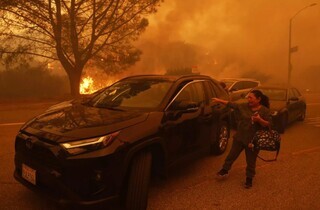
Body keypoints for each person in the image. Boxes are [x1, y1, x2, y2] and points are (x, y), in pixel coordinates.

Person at [212, 89, 272, 188]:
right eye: (248, 97)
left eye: (251, 98)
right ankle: (225, 170)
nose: (248, 100)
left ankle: (249, 178)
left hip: (253, 141)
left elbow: (269, 124)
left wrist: (259, 120)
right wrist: (219, 100)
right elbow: (232, 104)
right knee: (232, 155)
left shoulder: (265, 111)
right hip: (240, 137)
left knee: (251, 161)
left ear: (258, 99)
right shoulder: (244, 106)